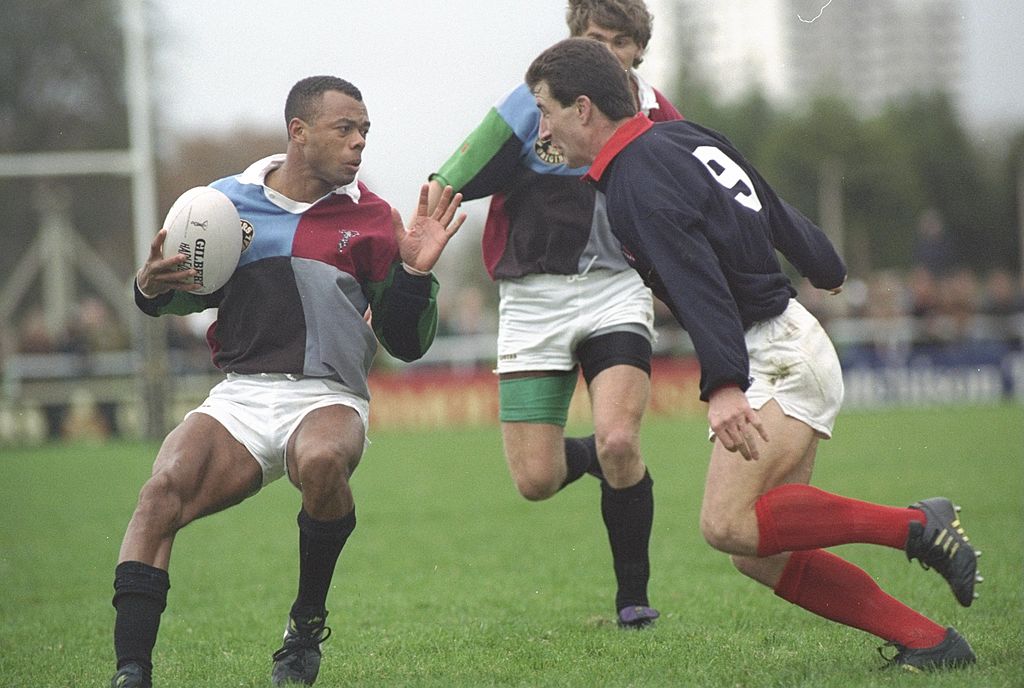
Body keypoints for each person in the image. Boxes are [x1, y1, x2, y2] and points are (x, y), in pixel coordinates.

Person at [524, 37, 982, 670]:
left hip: (774, 354)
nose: (540, 127)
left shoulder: (633, 179)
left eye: (543, 110)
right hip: (786, 342)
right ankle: (932, 644)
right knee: (757, 550)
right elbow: (764, 198)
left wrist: (725, 384)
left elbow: (698, 280)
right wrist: (822, 261)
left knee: (725, 523)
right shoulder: (681, 138)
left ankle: (914, 525)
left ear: (582, 109)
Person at [109, 75, 466, 688]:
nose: (358, 143)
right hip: (241, 395)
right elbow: (182, 297)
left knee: (323, 460)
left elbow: (407, 342)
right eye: (344, 129)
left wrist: (411, 271)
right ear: (298, 133)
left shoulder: (374, 218)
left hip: (328, 394)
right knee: (160, 492)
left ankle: (303, 630)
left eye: (365, 132)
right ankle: (131, 671)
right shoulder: (221, 206)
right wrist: (149, 287)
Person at [426, 0, 682, 629]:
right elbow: (449, 181)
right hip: (532, 301)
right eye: (594, 40)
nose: (605, 54)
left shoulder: (658, 115)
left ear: (638, 51)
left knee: (621, 439)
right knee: (535, 480)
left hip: (615, 290)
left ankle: (633, 602)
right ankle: (596, 458)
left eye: (619, 42)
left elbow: (694, 206)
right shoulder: (530, 105)